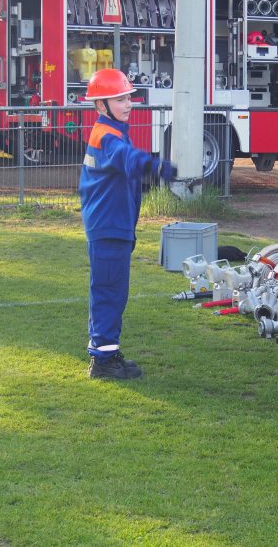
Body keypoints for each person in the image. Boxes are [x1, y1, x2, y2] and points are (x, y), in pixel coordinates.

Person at [79, 68, 177, 380]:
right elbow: (127, 158)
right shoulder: (109, 136)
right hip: (109, 225)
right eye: (119, 99)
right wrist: (155, 166)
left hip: (111, 224)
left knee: (111, 291)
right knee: (109, 291)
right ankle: (104, 360)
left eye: (128, 97)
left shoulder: (112, 131)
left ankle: (106, 351)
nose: (128, 104)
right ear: (100, 106)